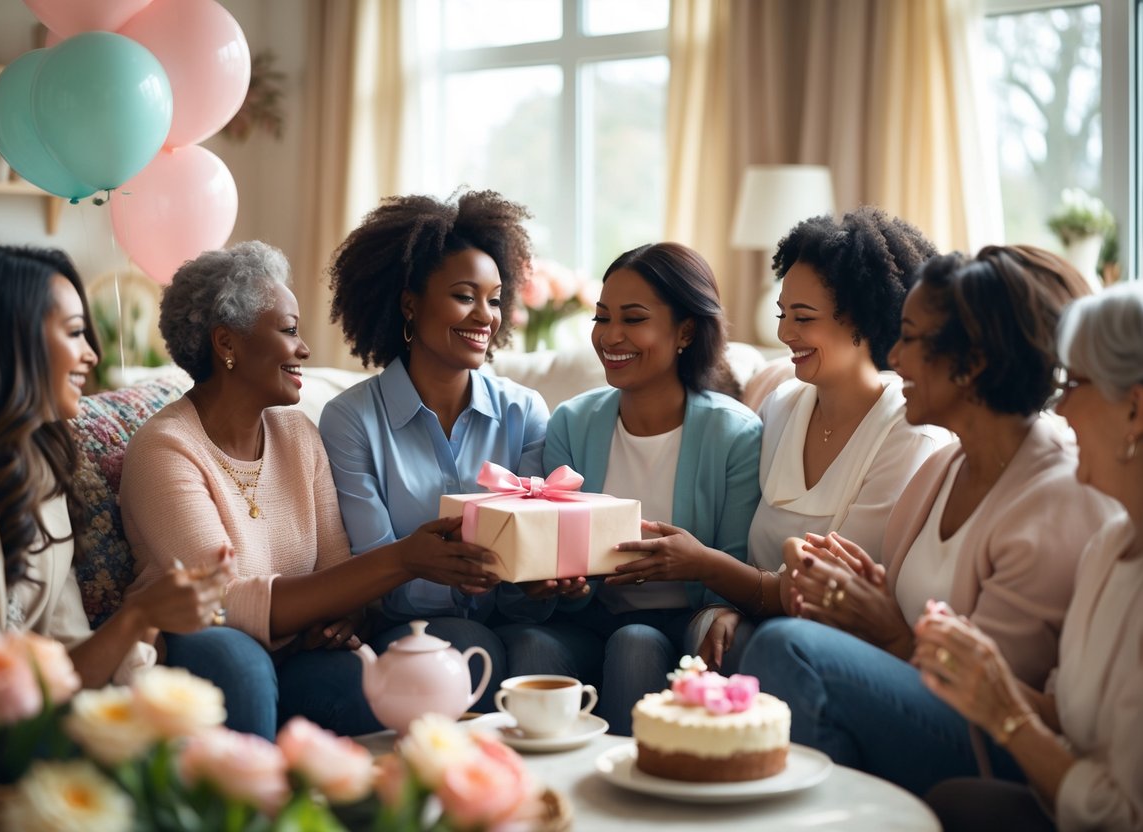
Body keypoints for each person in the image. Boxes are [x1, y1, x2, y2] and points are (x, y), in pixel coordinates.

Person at [739, 245, 1121, 796]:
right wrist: (863, 596)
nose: (894, 356)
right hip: (927, 698)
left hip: (999, 742)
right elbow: (905, 618)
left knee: (788, 647)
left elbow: (990, 692)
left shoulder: (1056, 496)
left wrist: (890, 630)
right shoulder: (945, 464)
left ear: (972, 362)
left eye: (911, 338)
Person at [121, 241, 497, 739]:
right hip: (201, 647)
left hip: (297, 652)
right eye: (289, 330)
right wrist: (405, 558)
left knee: (364, 680)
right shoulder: (165, 449)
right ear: (226, 343)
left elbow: (340, 575)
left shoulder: (298, 435)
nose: (305, 349)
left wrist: (346, 618)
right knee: (237, 657)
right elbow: (220, 603)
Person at [0, 245, 228, 688]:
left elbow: (67, 651)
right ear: (6, 342)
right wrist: (138, 615)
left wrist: (146, 621)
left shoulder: (41, 471)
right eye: (74, 333)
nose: (92, 354)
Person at [497, 242, 763, 735]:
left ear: (685, 330)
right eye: (602, 318)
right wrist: (559, 585)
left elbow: (738, 563)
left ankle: (631, 797)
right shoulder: (572, 424)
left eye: (633, 319)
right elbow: (559, 573)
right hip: (592, 620)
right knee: (533, 642)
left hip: (682, 623)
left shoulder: (735, 434)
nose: (610, 336)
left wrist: (710, 585)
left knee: (636, 641)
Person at [919, 283, 1143, 831]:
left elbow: (1123, 814)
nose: (1059, 406)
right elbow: (1066, 717)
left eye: (1075, 384)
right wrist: (974, 669)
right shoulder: (1110, 546)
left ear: (1135, 408)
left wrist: (1008, 717)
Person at [319, 190, 551, 708]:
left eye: (494, 299)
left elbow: (528, 570)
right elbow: (377, 575)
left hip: (507, 622)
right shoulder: (351, 421)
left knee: (540, 650)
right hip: (408, 633)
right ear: (409, 303)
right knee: (467, 644)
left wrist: (541, 581)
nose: (485, 317)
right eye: (465, 296)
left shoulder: (525, 411)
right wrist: (436, 571)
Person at [696, 207, 948, 671]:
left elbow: (826, 590)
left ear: (862, 319)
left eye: (803, 317)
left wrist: (703, 565)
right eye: (782, 313)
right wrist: (727, 607)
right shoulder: (779, 403)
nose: (784, 333)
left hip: (836, 654)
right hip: (763, 631)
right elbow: (746, 549)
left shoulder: (909, 431)